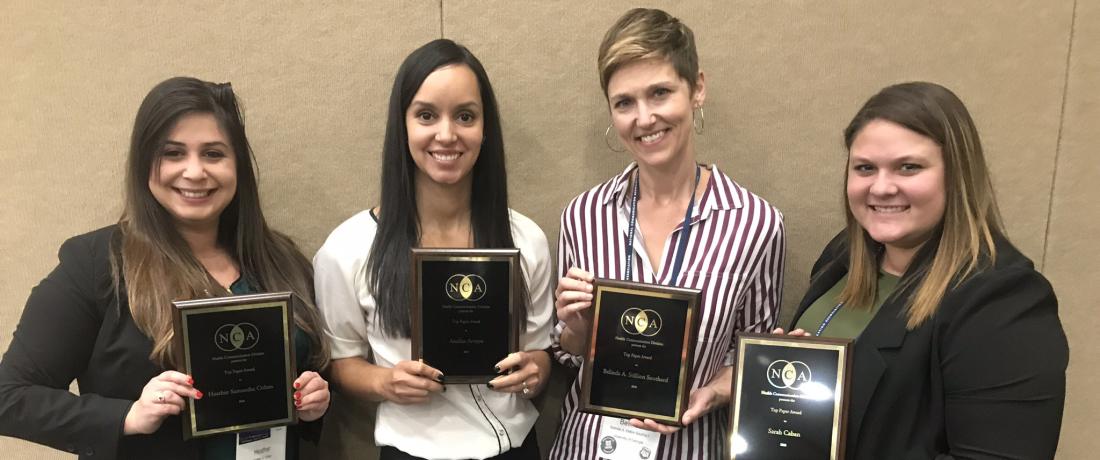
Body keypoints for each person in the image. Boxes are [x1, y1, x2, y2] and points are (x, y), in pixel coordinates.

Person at [0, 77, 331, 459]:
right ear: (144, 163)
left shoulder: (280, 260)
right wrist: (128, 415)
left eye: (213, 154)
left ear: (237, 165)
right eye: (173, 153)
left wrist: (315, 401)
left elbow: (315, 369)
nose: (194, 172)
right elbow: (9, 396)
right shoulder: (96, 264)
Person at [783, 81, 1068, 458]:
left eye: (909, 167)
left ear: (957, 174)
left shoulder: (1004, 302)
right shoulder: (845, 256)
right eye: (865, 168)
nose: (881, 187)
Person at [549, 8, 785, 459]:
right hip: (587, 446)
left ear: (697, 88)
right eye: (624, 102)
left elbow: (755, 357)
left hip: (688, 447)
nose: (644, 118)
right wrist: (576, 328)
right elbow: (569, 352)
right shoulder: (582, 215)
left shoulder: (755, 223)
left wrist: (713, 393)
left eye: (660, 93)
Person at [312, 39, 554, 460]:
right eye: (426, 115)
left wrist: (536, 371)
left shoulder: (525, 238)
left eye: (465, 116)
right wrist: (384, 383)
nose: (447, 134)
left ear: (485, 128)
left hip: (514, 447)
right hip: (413, 450)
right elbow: (341, 360)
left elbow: (539, 352)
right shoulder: (348, 248)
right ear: (402, 124)